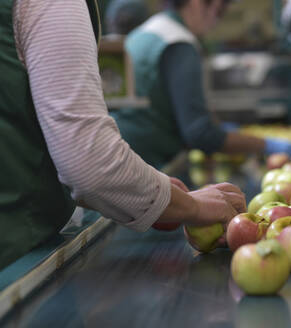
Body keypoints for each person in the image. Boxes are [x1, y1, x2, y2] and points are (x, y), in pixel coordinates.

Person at [0, 0, 246, 270]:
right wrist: (191, 206)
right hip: (16, 252)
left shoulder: (151, 32)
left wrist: (147, 188)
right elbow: (89, 166)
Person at [110, 0, 291, 169]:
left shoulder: (150, 31)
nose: (217, 21)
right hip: (142, 169)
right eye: (219, 10)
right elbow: (200, 134)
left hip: (118, 162)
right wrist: (268, 146)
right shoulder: (178, 43)